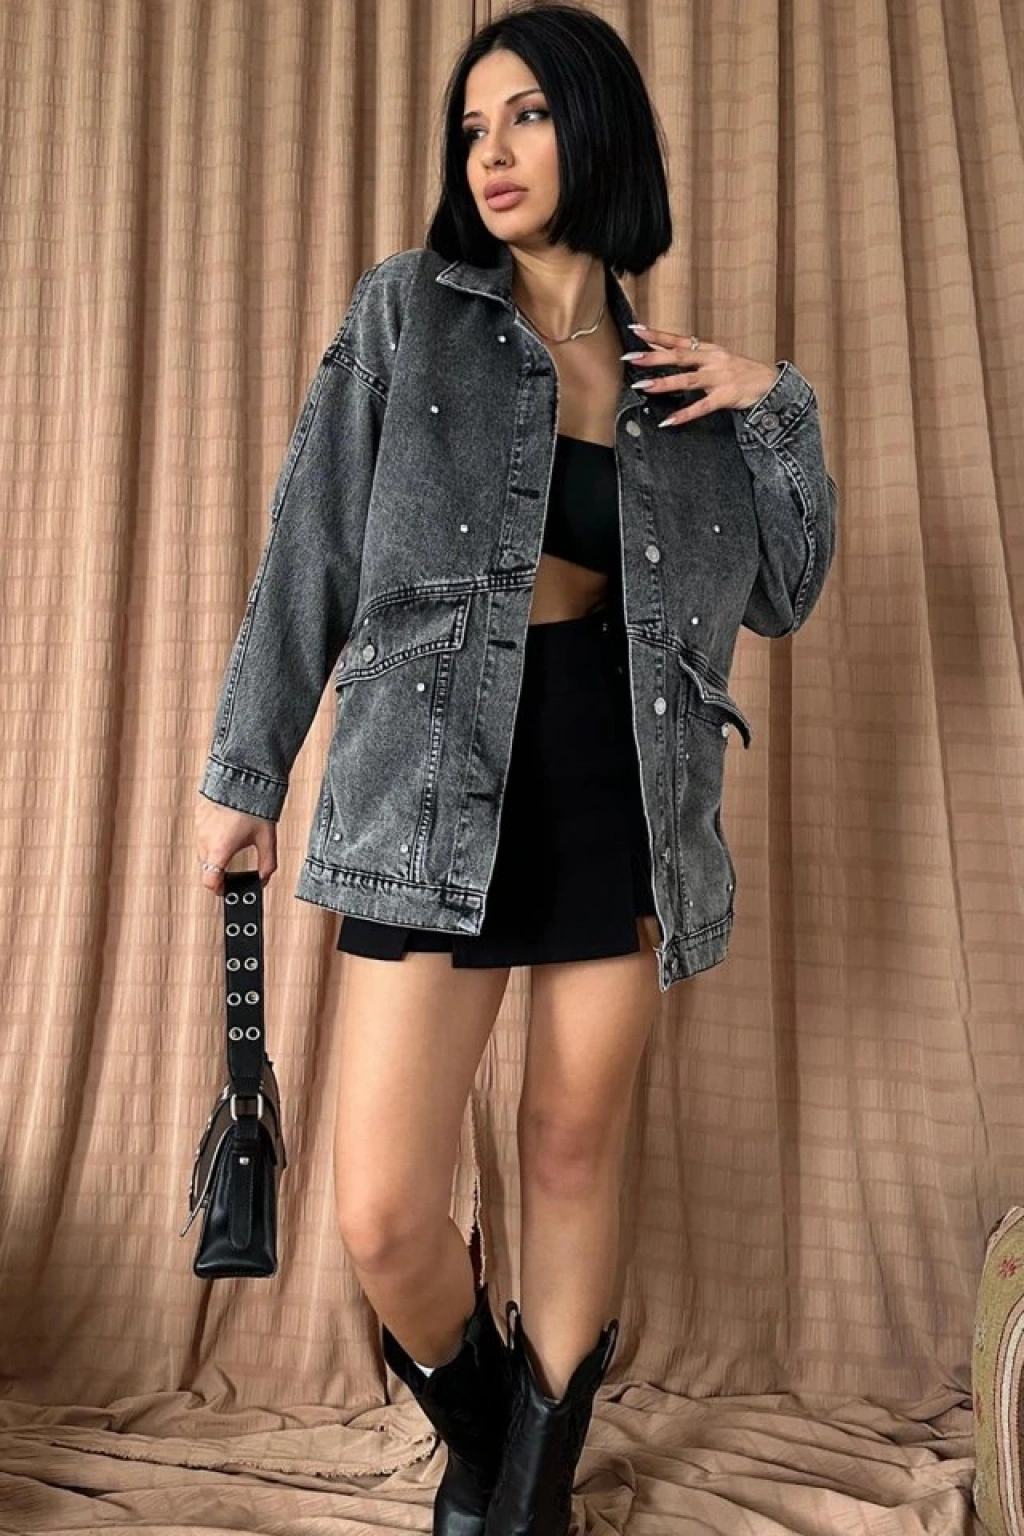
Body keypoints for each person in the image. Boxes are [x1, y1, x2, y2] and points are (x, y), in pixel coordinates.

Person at [194, 3, 837, 1531]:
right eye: (473, 126)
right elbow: (311, 543)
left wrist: (778, 405)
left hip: (619, 783)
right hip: (428, 782)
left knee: (568, 1146)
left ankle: (526, 1502)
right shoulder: (408, 316)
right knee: (383, 1207)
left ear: (596, 130)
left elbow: (785, 591)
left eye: (528, 115)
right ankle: (495, 1450)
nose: (492, 151)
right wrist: (244, 776)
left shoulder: (681, 389)